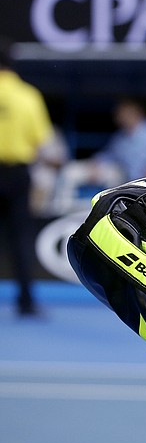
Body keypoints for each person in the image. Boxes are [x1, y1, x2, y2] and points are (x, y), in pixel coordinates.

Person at [0, 36, 53, 316]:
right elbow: (42, 143)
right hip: (16, 175)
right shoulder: (27, 95)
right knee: (21, 239)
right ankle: (26, 303)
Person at [92, 98, 146, 183]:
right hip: (129, 184)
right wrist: (97, 164)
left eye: (127, 113)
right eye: (119, 114)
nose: (121, 117)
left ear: (139, 114)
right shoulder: (120, 137)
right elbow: (109, 155)